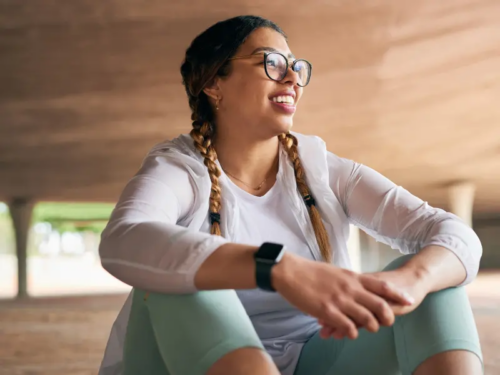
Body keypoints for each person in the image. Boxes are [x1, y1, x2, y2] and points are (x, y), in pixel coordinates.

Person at [98, 15, 483, 375]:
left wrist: (410, 282)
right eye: (272, 64)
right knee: (178, 282)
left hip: (319, 354)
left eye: (296, 68)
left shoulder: (324, 170)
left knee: (436, 285)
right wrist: (278, 267)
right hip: (184, 359)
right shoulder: (179, 168)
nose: (292, 80)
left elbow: (453, 234)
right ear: (215, 84)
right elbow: (123, 238)